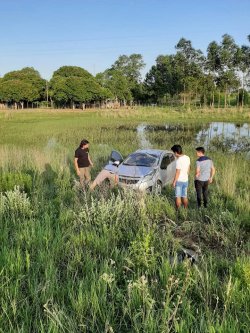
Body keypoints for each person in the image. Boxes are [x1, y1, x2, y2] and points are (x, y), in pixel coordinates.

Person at [171, 145, 191, 209]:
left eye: (174, 152)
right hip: (186, 180)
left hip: (179, 181)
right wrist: (186, 174)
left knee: (178, 196)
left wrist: (174, 182)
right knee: (184, 196)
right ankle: (185, 209)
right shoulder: (187, 157)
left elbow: (178, 172)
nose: (174, 154)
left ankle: (178, 211)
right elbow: (188, 168)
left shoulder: (178, 161)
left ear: (176, 152)